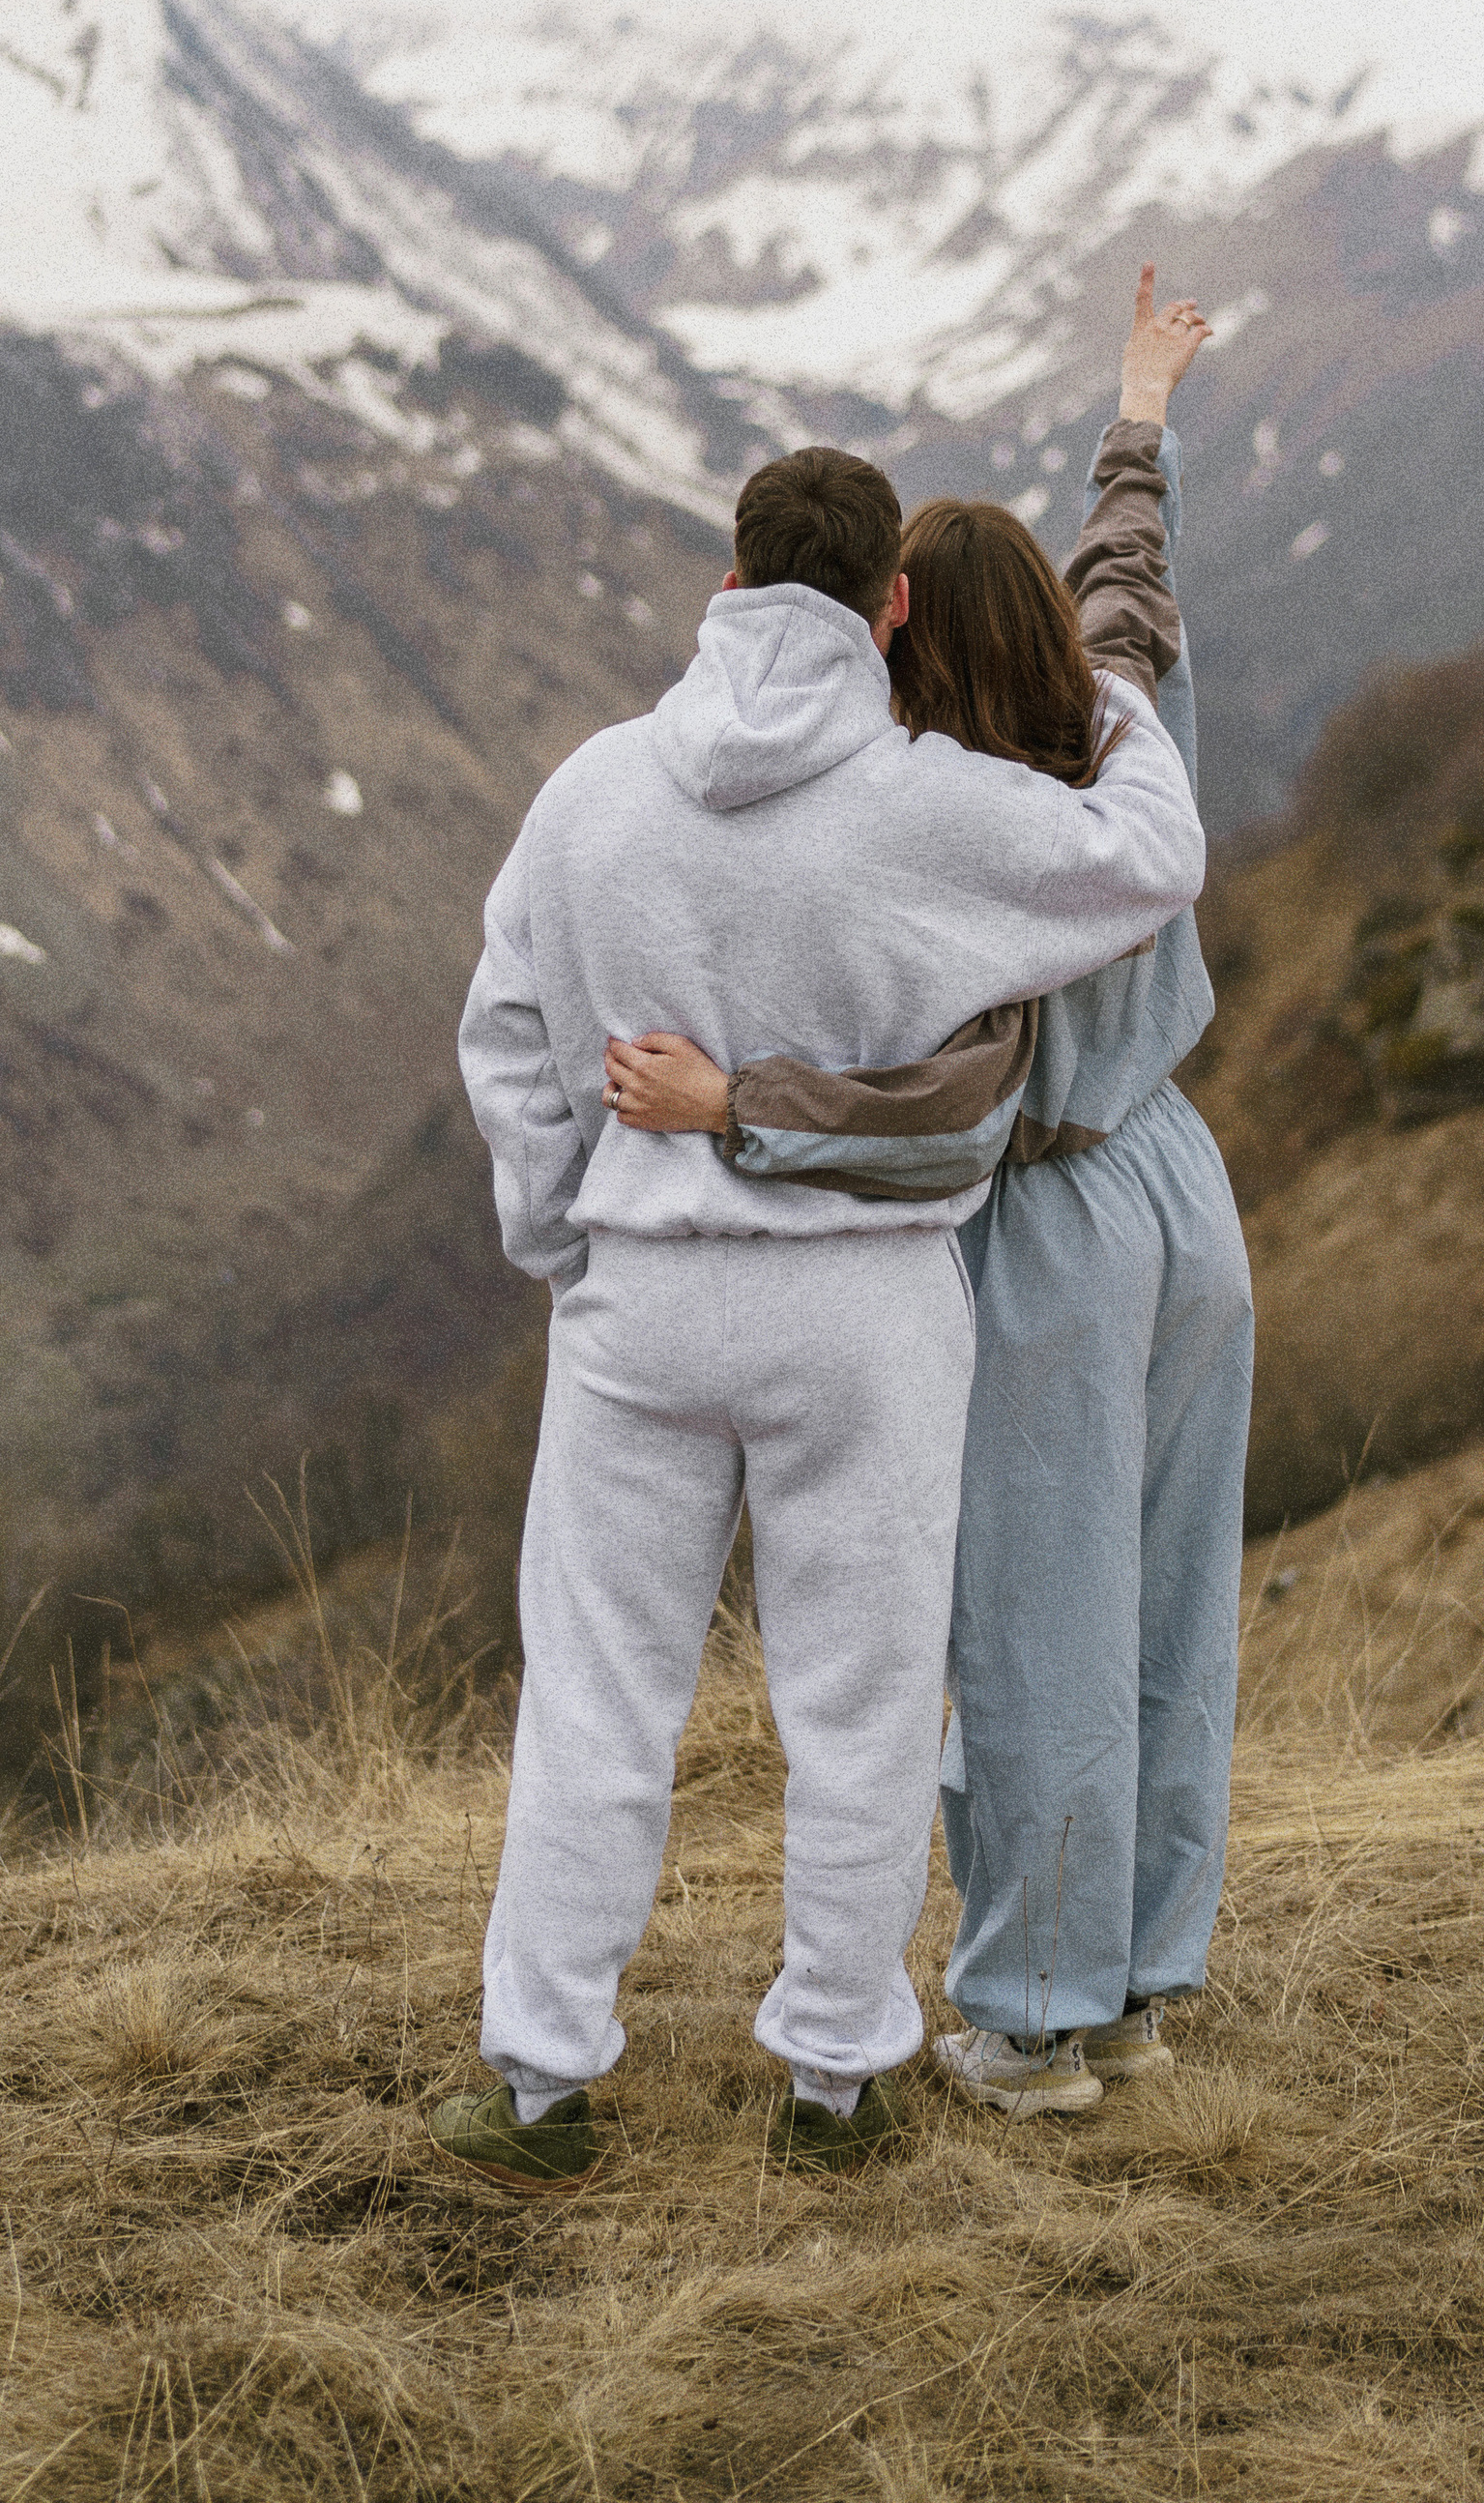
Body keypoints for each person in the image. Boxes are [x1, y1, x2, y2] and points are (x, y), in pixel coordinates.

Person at [440, 432, 1208, 2194]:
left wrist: (571, 1233)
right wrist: (1110, 676)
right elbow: (1152, 858)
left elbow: (505, 1030)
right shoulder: (931, 805)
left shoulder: (590, 795)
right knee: (858, 1708)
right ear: (894, 604)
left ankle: (540, 2080)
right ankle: (833, 2078)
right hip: (863, 1309)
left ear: (727, 582)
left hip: (640, 1304)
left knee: (596, 1700)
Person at [607, 267, 1253, 2118]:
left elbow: (948, 1110)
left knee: (1035, 1629)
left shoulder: (964, 841)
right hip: (1186, 1196)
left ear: (907, 648)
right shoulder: (1124, 715)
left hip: (1045, 1225)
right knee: (1166, 1608)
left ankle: (1036, 2022)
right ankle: (1133, 1976)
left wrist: (740, 1103)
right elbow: (1127, 568)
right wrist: (1140, 408)